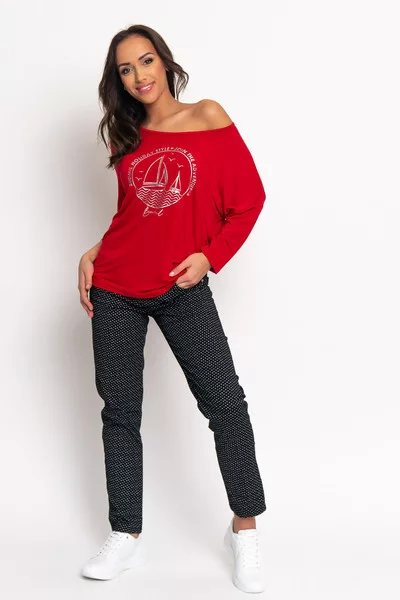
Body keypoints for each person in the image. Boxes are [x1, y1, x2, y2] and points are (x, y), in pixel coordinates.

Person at [78, 24, 267, 593]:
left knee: (225, 404)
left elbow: (249, 200)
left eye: (146, 61)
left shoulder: (207, 115)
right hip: (115, 287)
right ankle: (126, 535)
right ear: (119, 81)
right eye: (126, 69)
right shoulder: (126, 135)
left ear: (164, 61)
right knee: (120, 414)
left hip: (180, 287)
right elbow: (134, 216)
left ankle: (244, 530)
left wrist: (209, 258)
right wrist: (94, 251)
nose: (139, 76)